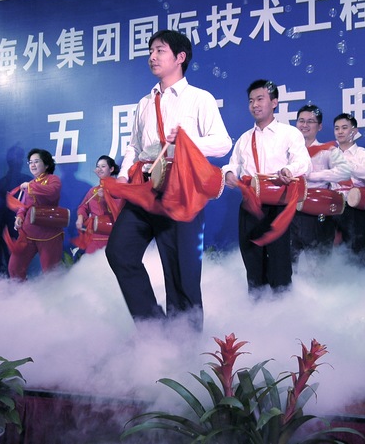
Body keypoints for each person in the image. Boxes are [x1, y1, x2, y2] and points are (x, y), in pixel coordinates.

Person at [105, 29, 231, 330]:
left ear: (180, 57)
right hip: (145, 188)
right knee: (119, 252)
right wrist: (122, 177)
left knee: (181, 273)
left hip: (180, 190)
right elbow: (134, 146)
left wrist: (186, 141)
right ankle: (154, 330)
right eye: (151, 51)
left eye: (160, 50)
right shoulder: (144, 103)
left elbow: (223, 143)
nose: (152, 56)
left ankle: (184, 344)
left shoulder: (199, 98)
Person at [222, 80, 311, 295]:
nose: (255, 105)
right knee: (252, 261)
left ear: (274, 102)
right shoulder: (244, 139)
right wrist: (229, 174)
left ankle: (283, 309)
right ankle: (257, 307)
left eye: (260, 99)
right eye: (251, 101)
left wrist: (289, 170)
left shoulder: (289, 133)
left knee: (280, 263)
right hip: (250, 206)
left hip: (279, 204)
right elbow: (233, 164)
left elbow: (304, 162)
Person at [289, 104, 351, 260]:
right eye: (301, 121)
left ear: (320, 126)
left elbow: (345, 171)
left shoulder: (328, 150)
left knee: (318, 262)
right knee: (289, 261)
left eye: (310, 121)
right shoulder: (287, 151)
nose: (304, 125)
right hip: (290, 211)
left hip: (316, 211)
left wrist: (314, 176)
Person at [326, 113, 365, 260]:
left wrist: (346, 164)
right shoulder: (328, 155)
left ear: (354, 131)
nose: (340, 132)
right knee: (330, 251)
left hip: (355, 207)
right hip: (332, 207)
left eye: (344, 128)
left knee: (357, 250)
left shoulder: (363, 154)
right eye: (337, 128)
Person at [8, 148, 63, 281]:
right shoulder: (31, 183)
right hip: (28, 232)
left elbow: (52, 191)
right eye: (30, 162)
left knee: (51, 274)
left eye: (36, 161)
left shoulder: (53, 179)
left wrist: (30, 187)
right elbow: (24, 205)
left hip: (49, 233)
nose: (32, 165)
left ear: (46, 164)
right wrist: (20, 216)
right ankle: (23, 292)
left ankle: (53, 294)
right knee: (14, 267)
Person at [74, 155, 122, 255]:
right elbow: (83, 206)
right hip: (94, 237)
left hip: (112, 235)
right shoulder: (93, 191)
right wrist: (80, 217)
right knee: (91, 262)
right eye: (98, 166)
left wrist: (106, 197)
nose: (99, 169)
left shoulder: (119, 189)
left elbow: (120, 209)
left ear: (111, 169)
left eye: (103, 166)